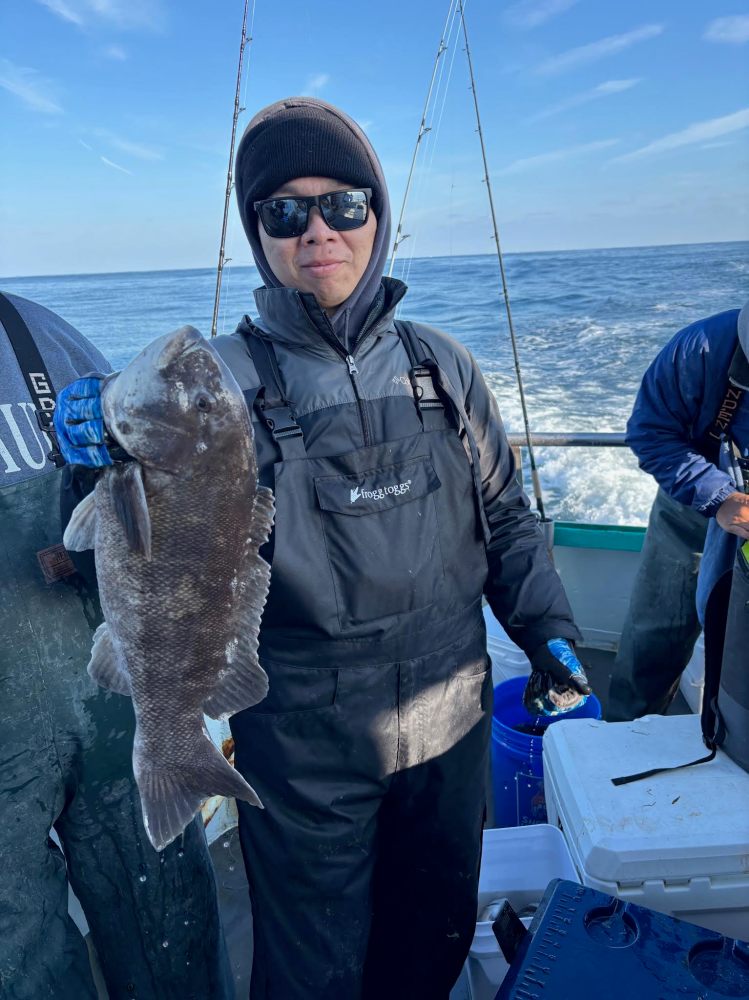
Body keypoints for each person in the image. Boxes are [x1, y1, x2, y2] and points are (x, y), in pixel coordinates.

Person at [53, 97, 591, 1000]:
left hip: (449, 708)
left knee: (434, 932)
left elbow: (505, 518)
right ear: (258, 233)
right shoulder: (217, 382)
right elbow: (133, 530)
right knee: (313, 967)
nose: (318, 231)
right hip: (300, 728)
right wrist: (97, 442)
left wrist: (548, 632)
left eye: (344, 204)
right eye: (283, 211)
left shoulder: (443, 367)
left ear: (377, 218)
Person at [0, 293, 233, 1000]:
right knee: (20, 953)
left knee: (168, 914)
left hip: (110, 702)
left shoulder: (33, 330)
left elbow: (161, 489)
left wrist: (114, 435)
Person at [608, 302, 749, 722]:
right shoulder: (700, 348)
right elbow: (650, 432)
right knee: (654, 635)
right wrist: (719, 497)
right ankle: (624, 736)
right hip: (691, 514)